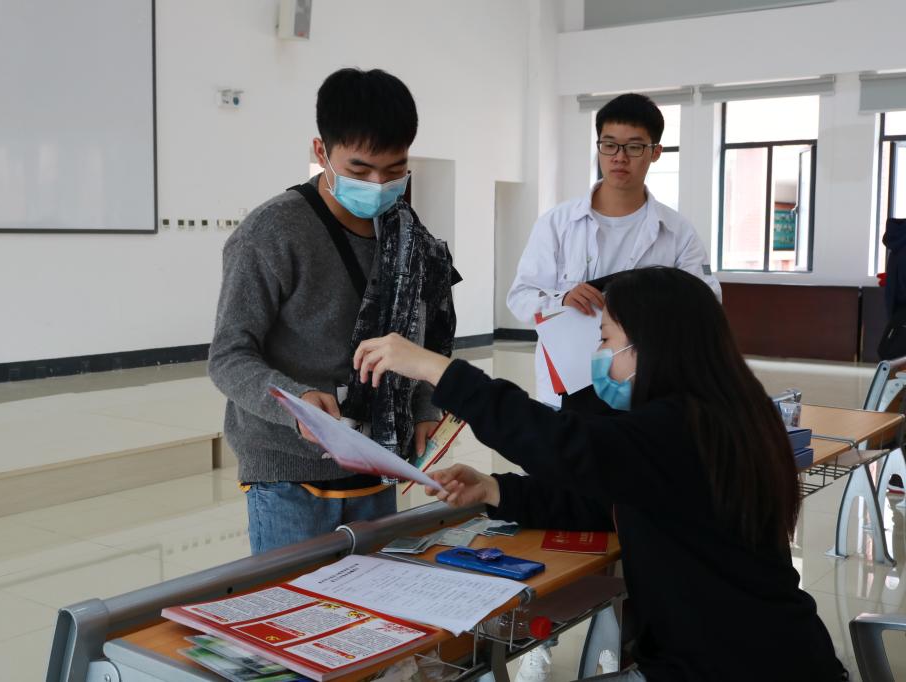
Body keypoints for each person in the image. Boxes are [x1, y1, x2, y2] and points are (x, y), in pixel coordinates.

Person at [354, 267, 846, 682]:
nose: (599, 355)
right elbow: (607, 498)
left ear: (652, 346)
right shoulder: (731, 413)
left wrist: (437, 369)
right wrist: (496, 490)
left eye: (606, 338)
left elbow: (564, 446)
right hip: (774, 654)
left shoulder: (679, 427)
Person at [208, 68, 459, 555]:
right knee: (297, 597)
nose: (379, 185)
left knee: (375, 597)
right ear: (321, 151)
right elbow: (228, 356)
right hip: (290, 474)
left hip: (380, 463)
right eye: (361, 171)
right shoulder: (272, 233)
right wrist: (298, 401)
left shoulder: (408, 234)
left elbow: (427, 334)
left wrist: (426, 407)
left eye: (395, 170)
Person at [507, 93, 720, 409]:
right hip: (565, 390)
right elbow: (521, 297)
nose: (619, 157)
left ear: (655, 152)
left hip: (646, 387)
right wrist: (562, 299)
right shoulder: (557, 223)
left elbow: (707, 303)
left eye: (634, 147)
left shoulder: (677, 232)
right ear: (599, 148)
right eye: (609, 145)